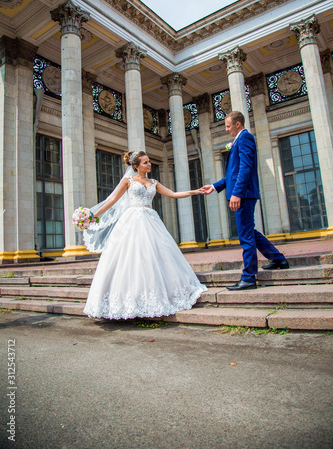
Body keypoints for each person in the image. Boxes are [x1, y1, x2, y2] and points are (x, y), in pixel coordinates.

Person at [83, 151, 207, 319]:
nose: (149, 165)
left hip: (151, 220)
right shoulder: (127, 182)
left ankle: (156, 295)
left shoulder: (154, 182)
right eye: (145, 162)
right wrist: (93, 216)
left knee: (154, 256)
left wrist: (196, 191)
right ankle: (128, 300)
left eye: (149, 162)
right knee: (131, 258)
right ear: (136, 166)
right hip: (131, 221)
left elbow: (173, 194)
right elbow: (112, 201)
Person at [201, 111, 289, 291]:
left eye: (228, 126)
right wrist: (215, 186)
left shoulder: (245, 138)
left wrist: (237, 193)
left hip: (244, 194)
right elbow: (233, 174)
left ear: (238, 124)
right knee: (249, 231)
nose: (226, 129)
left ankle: (249, 277)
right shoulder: (239, 140)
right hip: (242, 193)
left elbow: (246, 168)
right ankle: (278, 258)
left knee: (245, 236)